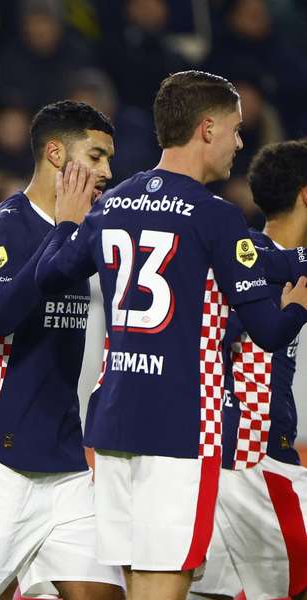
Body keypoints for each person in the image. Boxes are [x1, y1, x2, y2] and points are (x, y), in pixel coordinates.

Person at [34, 70, 307, 599]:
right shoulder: (215, 216)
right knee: (166, 585)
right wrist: (296, 306)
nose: (239, 142)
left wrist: (67, 223)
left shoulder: (113, 203)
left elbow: (48, 276)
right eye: (235, 128)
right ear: (207, 129)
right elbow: (269, 332)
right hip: (181, 425)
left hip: (113, 421)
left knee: (142, 582)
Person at [0, 100, 125, 600]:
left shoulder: (88, 228)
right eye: (98, 156)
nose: (107, 171)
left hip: (61, 456)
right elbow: (1, 313)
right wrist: (63, 230)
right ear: (56, 154)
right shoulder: (8, 225)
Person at [190, 140, 307, 600]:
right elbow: (210, 330)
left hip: (235, 462)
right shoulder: (247, 259)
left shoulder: (276, 263)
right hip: (253, 461)